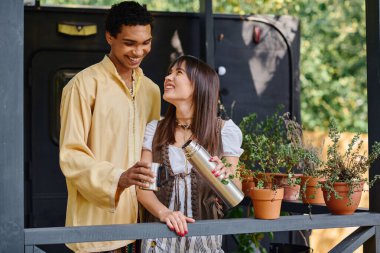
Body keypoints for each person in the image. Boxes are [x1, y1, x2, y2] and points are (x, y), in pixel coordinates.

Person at [59, 2, 161, 252]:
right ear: (109, 37)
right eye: (129, 43)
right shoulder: (82, 86)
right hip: (95, 230)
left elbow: (153, 152)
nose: (139, 51)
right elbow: (71, 156)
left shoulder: (152, 90)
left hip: (141, 227)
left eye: (145, 42)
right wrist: (119, 178)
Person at [137, 55, 243, 252]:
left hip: (205, 242)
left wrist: (226, 175)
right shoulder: (155, 130)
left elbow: (236, 188)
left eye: (178, 73)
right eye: (169, 72)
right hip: (159, 241)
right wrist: (165, 213)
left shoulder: (225, 131)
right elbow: (144, 187)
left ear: (199, 85)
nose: (168, 77)